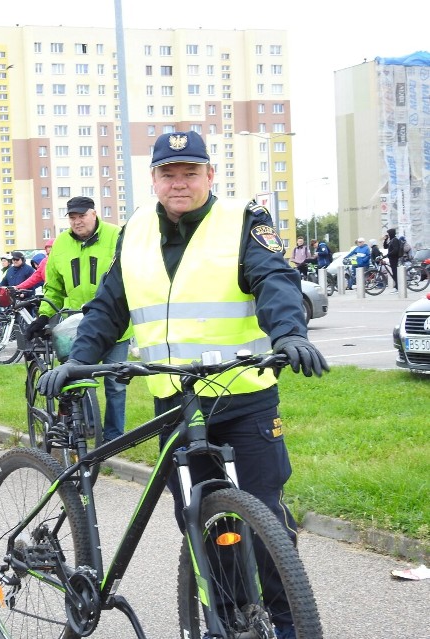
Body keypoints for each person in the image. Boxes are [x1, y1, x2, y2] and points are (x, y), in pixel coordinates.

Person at [38, 131, 328, 638]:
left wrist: (290, 333)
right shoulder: (136, 232)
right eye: (168, 173)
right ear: (153, 179)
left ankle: (287, 627)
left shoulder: (243, 221)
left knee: (264, 526)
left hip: (245, 397)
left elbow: (273, 280)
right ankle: (229, 617)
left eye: (190, 172)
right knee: (204, 527)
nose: (179, 183)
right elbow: (110, 305)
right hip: (175, 402)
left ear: (210, 175)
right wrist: (79, 360)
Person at [26, 195, 132, 441]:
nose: (77, 221)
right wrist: (43, 317)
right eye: (72, 217)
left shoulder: (116, 236)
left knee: (115, 384)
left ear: (94, 214)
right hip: (77, 328)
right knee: (78, 383)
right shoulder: (61, 244)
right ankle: (89, 430)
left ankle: (115, 438)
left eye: (82, 216)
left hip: (116, 324)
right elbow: (54, 288)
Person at [382, 229, 402, 293]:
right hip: (392, 259)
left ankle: (398, 287)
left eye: (388, 233)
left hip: (394, 259)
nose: (388, 235)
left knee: (395, 273)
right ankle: (397, 286)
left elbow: (395, 250)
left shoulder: (395, 240)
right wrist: (385, 240)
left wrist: (387, 255)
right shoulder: (391, 240)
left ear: (391, 233)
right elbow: (385, 247)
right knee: (394, 273)